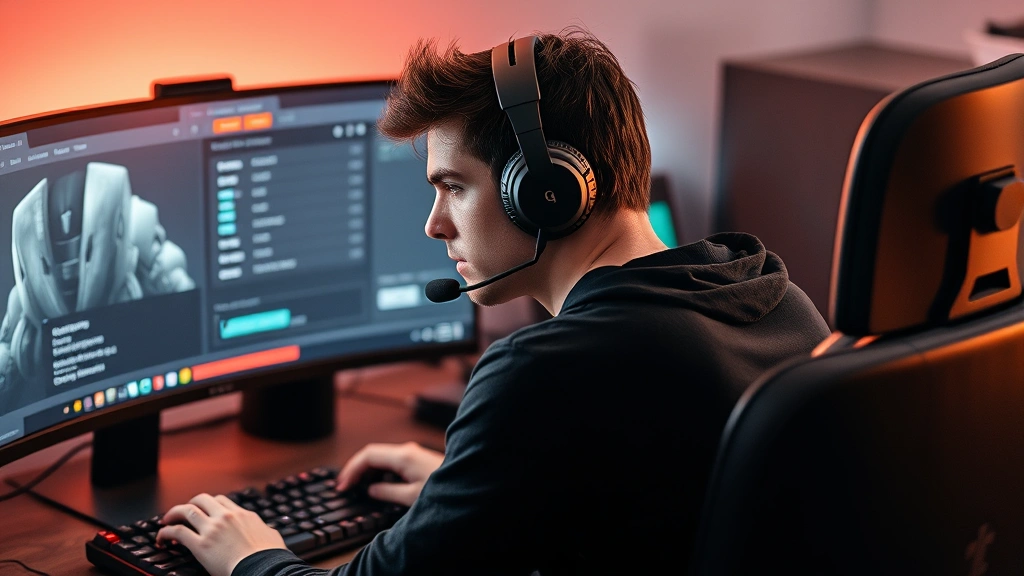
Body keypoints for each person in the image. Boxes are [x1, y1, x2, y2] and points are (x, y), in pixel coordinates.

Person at [156, 28, 831, 576]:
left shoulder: (544, 373)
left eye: (453, 185)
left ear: (544, 189)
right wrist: (469, 488)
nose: (434, 224)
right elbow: (645, 494)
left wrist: (251, 556)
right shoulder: (777, 300)